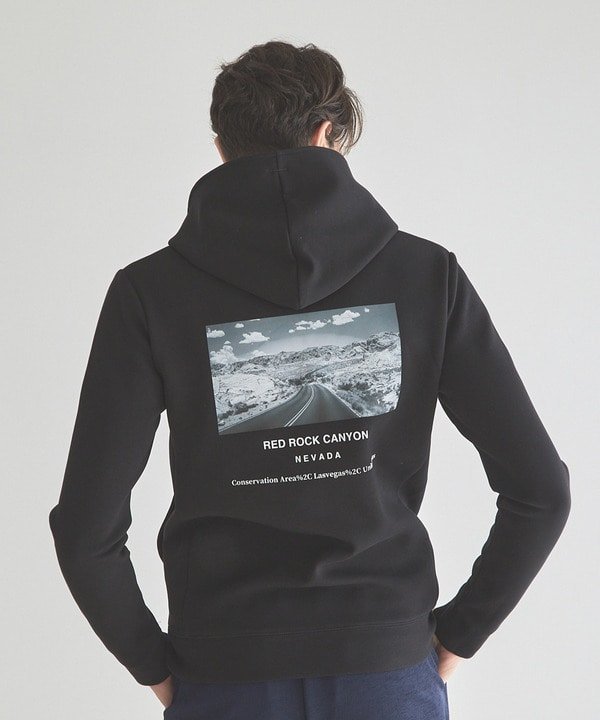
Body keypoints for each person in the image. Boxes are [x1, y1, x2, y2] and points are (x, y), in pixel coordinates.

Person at [48, 40, 571, 719]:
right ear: (328, 134)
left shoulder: (149, 293)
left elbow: (85, 528)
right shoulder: (425, 275)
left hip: (225, 672)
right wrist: (459, 635)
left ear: (221, 148)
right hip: (384, 669)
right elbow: (540, 490)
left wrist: (151, 663)